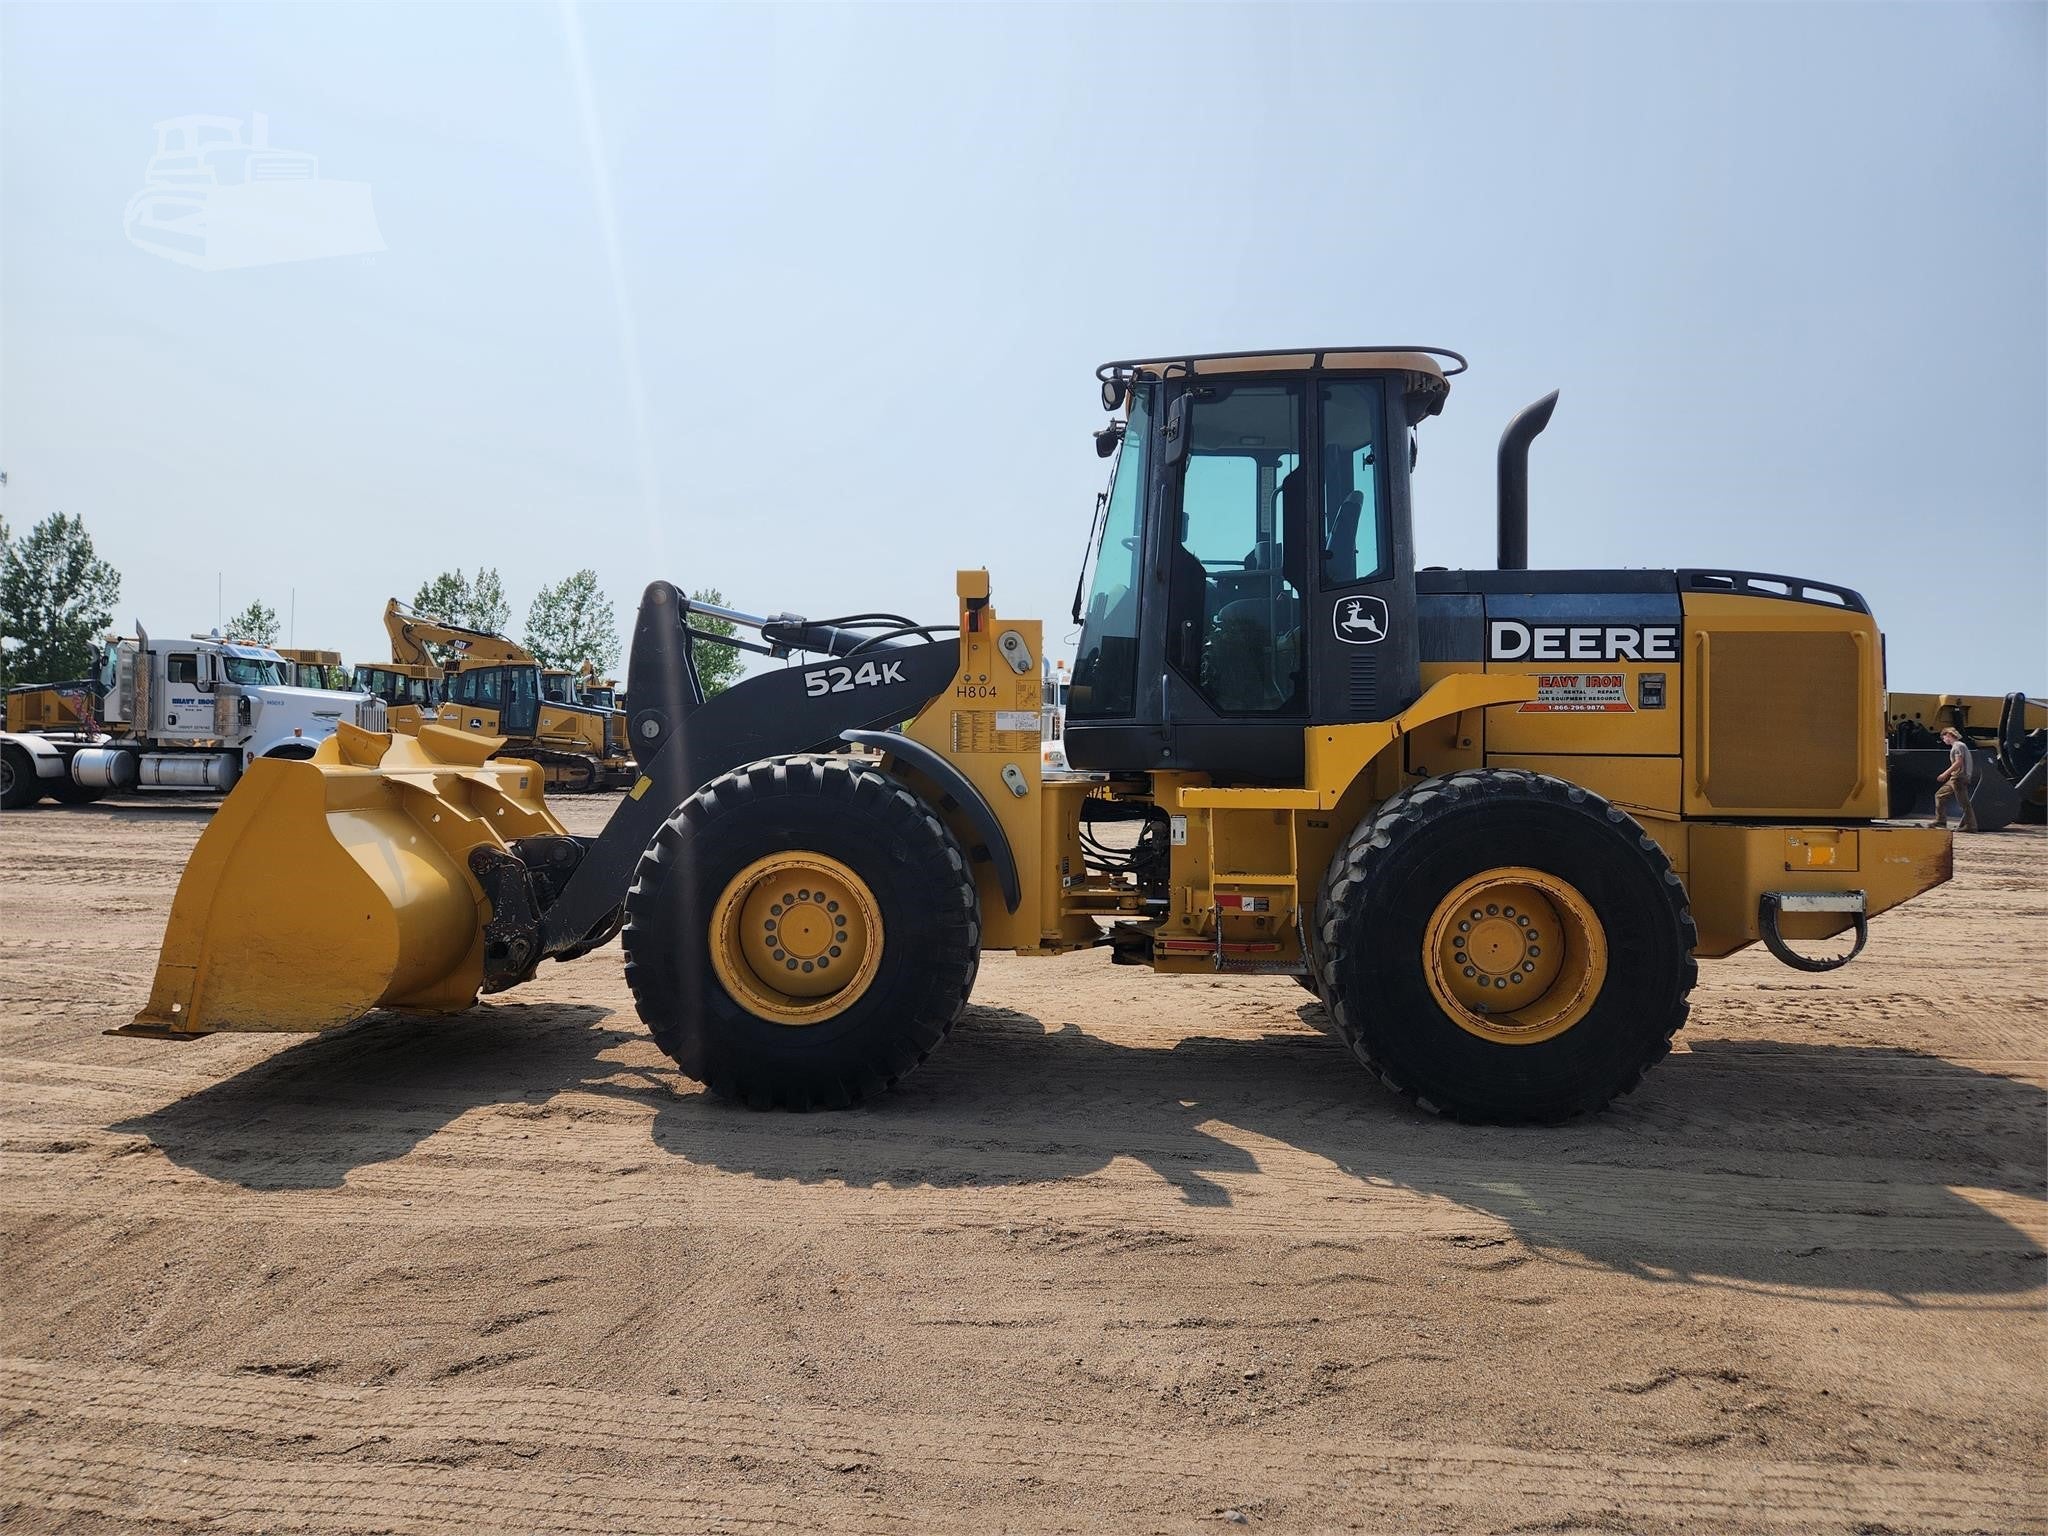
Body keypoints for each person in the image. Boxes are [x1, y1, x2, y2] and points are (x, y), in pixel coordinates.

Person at [1931, 726, 1980, 833]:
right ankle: (1940, 821)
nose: (1944, 740)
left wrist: (1945, 774)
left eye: (1944, 738)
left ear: (1948, 735)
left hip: (1959, 777)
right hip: (1956, 777)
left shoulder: (1958, 746)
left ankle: (1970, 825)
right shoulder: (1960, 746)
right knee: (1940, 795)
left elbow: (1958, 762)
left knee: (1964, 802)